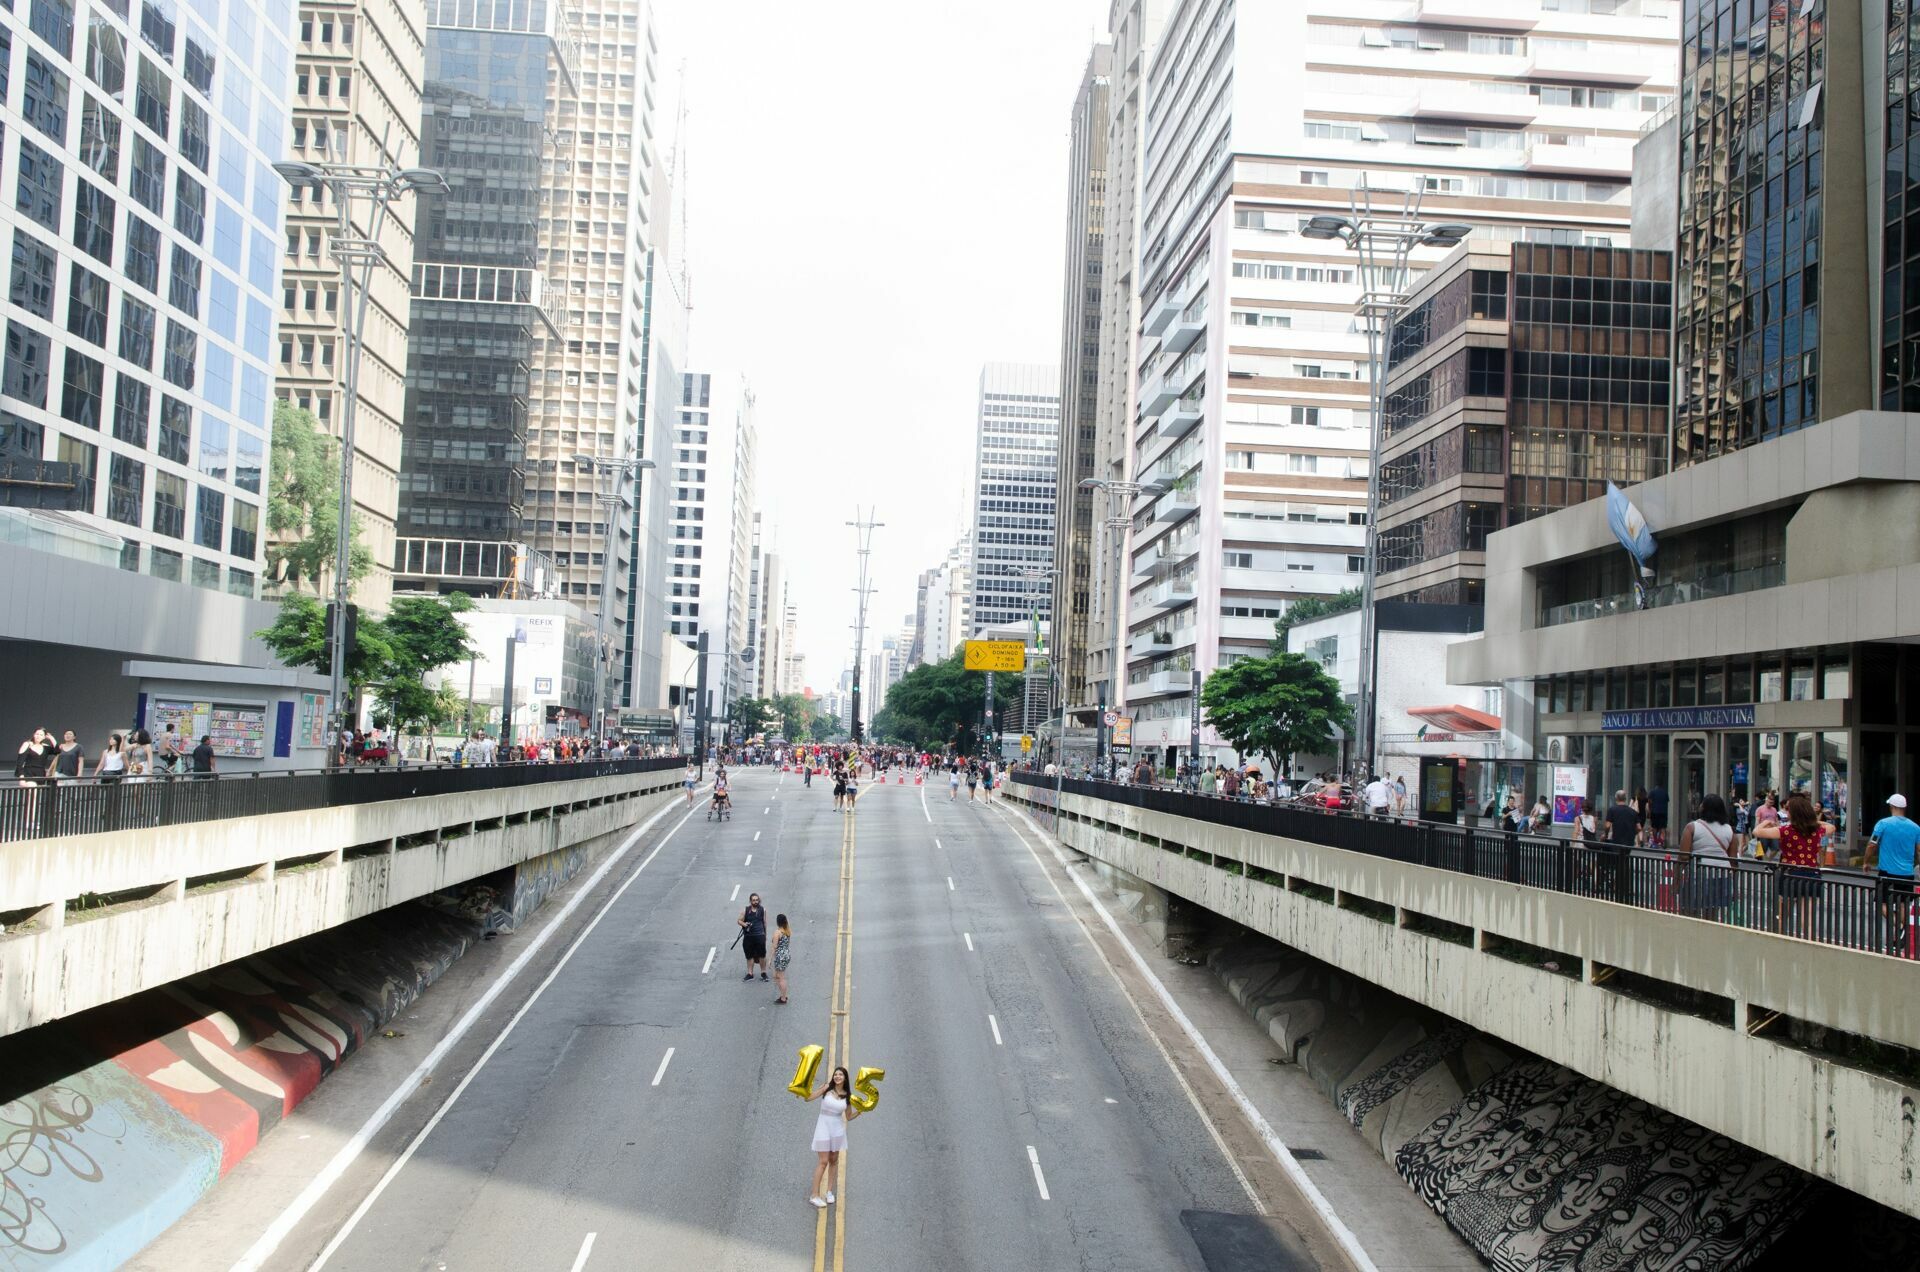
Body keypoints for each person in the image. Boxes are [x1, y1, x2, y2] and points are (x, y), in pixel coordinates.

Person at [1753, 794, 1830, 937]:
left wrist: (1767, 821)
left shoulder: (1785, 831)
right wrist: (1814, 822)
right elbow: (1832, 828)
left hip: (1789, 874)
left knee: (1783, 915)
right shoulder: (1817, 831)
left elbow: (1756, 831)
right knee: (1807, 917)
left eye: (1788, 810)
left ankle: (1780, 940)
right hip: (1812, 874)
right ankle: (1809, 942)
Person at [1866, 793, 1919, 956]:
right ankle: (1902, 929)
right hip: (1907, 873)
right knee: (1903, 903)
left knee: (1882, 903)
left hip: (1887, 872)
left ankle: (1899, 926)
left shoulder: (1883, 824)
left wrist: (1866, 861)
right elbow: (1919, 850)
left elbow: (1872, 844)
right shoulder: (1915, 827)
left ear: (1892, 807)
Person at [806, 1066, 863, 1208]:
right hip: (823, 1128)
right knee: (823, 1161)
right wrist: (819, 1089)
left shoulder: (847, 1096)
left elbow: (848, 1117)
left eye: (840, 1075)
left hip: (837, 1130)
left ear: (845, 1078)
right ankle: (814, 1195)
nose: (837, 1076)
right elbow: (809, 1098)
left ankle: (829, 1192)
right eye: (836, 1074)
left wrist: (861, 1111)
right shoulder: (826, 1089)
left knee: (833, 1160)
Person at [1678, 794, 1734, 919]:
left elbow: (1683, 857)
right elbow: (1733, 861)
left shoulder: (1692, 827)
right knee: (1712, 914)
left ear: (1705, 807)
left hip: (1698, 875)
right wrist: (1734, 885)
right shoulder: (1729, 830)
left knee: (1690, 911)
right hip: (1722, 874)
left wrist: (1676, 882)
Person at [1600, 789, 1639, 898]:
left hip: (1616, 841)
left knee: (1617, 863)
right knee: (1625, 862)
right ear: (1625, 799)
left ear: (1616, 798)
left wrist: (1606, 834)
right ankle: (1626, 887)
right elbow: (1639, 828)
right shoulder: (1632, 812)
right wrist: (1632, 833)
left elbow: (1607, 826)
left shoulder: (1613, 810)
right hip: (1629, 842)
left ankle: (1617, 886)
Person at [739, 892, 769, 982]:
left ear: (759, 900)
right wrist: (745, 924)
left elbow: (764, 923)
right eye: (753, 900)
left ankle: (763, 973)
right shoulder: (745, 910)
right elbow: (739, 921)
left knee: (762, 955)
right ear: (750, 901)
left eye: (757, 900)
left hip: (760, 935)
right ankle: (750, 974)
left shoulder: (763, 910)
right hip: (748, 937)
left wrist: (765, 935)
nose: (755, 902)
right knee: (749, 956)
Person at [1647, 782, 1670, 849]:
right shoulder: (1665, 792)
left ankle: (1655, 842)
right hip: (1663, 812)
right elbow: (1667, 801)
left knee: (1654, 827)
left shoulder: (1652, 792)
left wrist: (1649, 810)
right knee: (1662, 827)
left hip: (1654, 812)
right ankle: (1662, 841)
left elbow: (1649, 802)